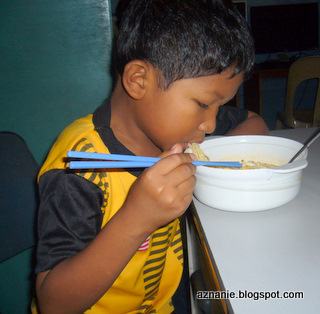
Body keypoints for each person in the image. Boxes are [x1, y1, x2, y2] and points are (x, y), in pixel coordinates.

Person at [33, 0, 268, 313]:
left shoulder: (174, 129)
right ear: (139, 81)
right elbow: (53, 304)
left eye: (219, 106)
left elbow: (254, 122)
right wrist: (138, 216)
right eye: (202, 104)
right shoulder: (81, 165)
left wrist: (207, 161)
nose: (210, 124)